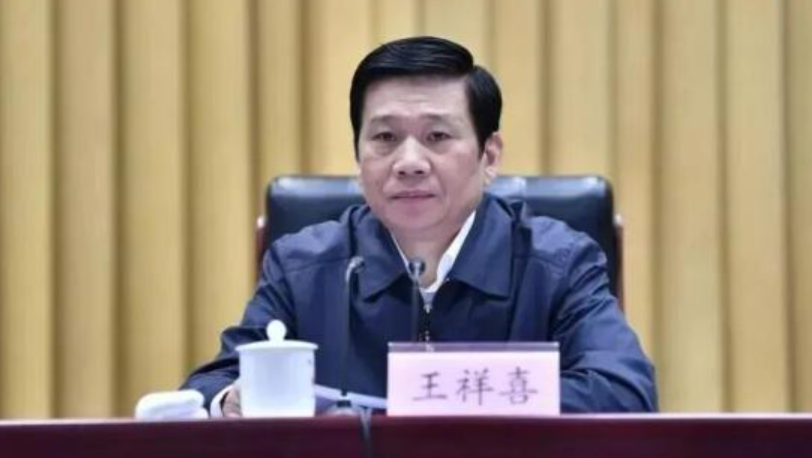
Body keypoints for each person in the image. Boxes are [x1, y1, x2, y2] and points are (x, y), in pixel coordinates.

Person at [182, 36, 657, 416]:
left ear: (489, 156)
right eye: (385, 137)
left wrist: (436, 398)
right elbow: (208, 388)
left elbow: (624, 392)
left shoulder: (558, 262)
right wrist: (231, 402)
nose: (409, 161)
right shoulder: (301, 266)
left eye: (437, 136)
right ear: (358, 157)